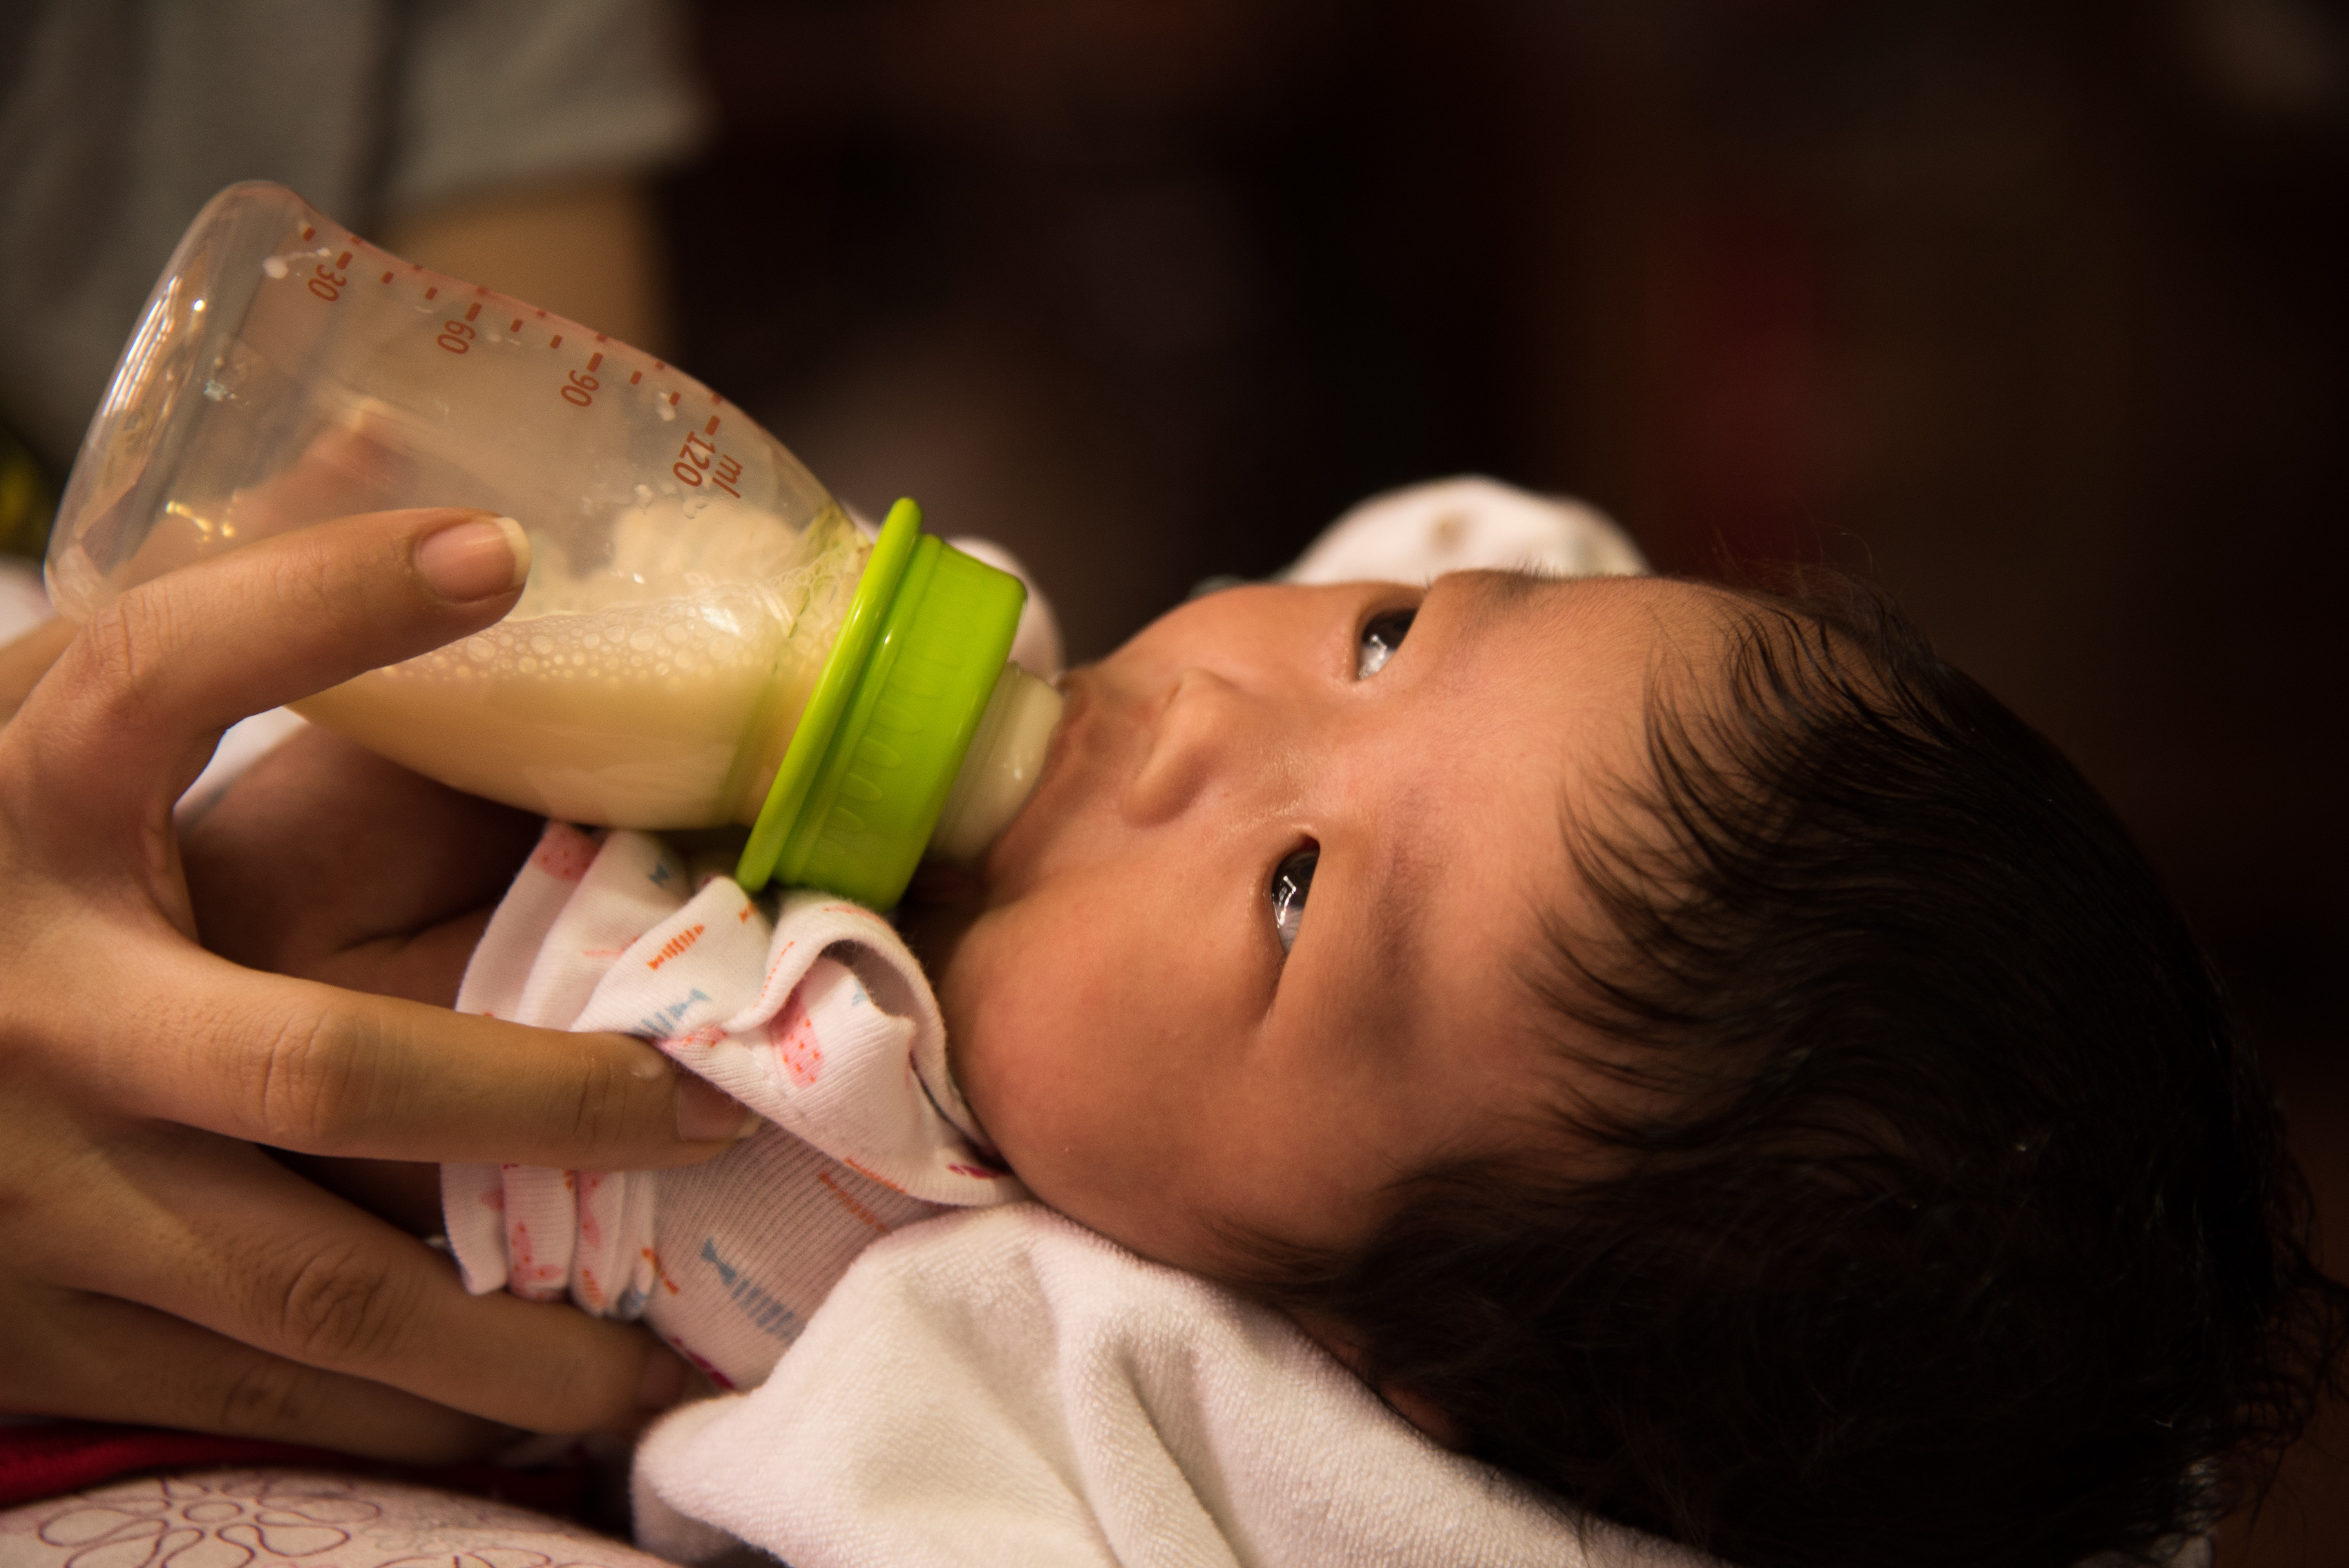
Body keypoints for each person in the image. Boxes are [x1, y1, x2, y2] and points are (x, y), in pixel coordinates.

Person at [172, 482, 2342, 1568]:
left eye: (1296, 895)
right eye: (1384, 641)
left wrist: (488, 682)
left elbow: (247, 983)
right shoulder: (1484, 814)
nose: (1211, 707)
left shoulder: (826, 1160)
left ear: (1368, 1356)